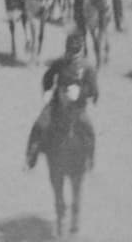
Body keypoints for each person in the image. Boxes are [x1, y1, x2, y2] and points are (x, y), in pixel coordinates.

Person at [26, 31, 98, 169]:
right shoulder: (59, 63)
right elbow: (47, 77)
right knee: (39, 124)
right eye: (70, 50)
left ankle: (90, 158)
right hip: (57, 103)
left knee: (89, 130)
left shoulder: (88, 67)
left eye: (75, 51)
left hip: (77, 107)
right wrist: (47, 91)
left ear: (80, 50)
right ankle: (31, 155)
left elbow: (94, 90)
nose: (72, 55)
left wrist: (82, 92)